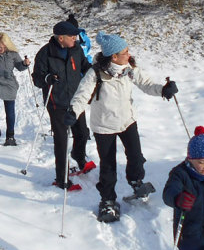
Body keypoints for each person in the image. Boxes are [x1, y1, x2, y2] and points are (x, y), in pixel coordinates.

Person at [66, 32, 177, 222]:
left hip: (127, 121)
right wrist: (73, 113)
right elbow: (82, 95)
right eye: (125, 51)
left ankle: (136, 181)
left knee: (135, 156)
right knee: (108, 166)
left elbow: (147, 84)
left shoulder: (130, 68)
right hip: (104, 126)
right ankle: (108, 201)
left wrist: (163, 90)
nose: (129, 53)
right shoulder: (95, 73)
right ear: (114, 56)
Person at [31, 20, 93, 190]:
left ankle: (79, 158)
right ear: (60, 38)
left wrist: (97, 72)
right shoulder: (45, 53)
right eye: (72, 36)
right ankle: (61, 179)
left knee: (82, 133)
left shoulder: (76, 50)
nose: (75, 38)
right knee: (61, 140)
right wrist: (47, 79)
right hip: (56, 102)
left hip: (75, 101)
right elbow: (37, 78)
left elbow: (87, 67)